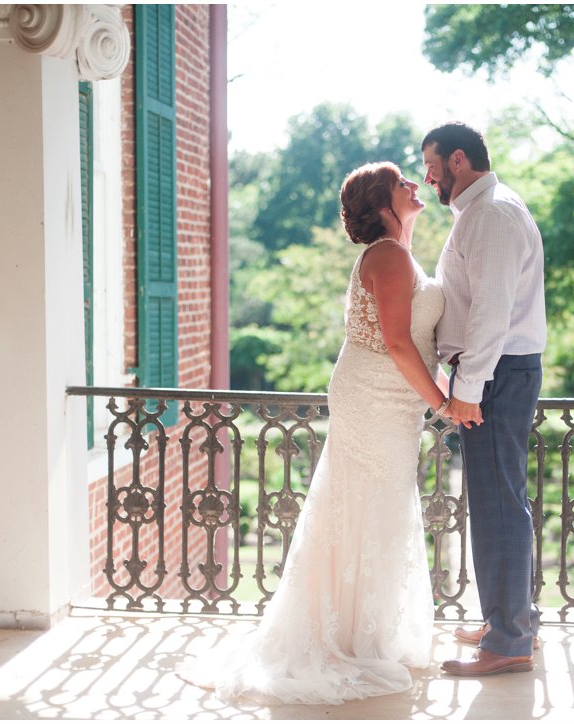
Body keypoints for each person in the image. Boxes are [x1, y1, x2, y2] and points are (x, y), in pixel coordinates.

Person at [178, 162, 449, 704]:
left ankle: (361, 630)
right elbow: (398, 344)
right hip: (376, 396)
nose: (414, 186)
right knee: (368, 503)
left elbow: (412, 337)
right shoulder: (389, 256)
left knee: (374, 505)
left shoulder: (396, 253)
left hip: (388, 399)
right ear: (380, 204)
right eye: (403, 184)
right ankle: (348, 637)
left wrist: (438, 395)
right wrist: (442, 402)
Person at [421, 122, 547, 676]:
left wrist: (467, 391)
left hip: (496, 376)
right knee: (504, 503)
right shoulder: (484, 210)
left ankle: (507, 641)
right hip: (496, 374)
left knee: (498, 509)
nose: (426, 179)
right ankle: (511, 621)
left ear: (457, 160)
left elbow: (491, 312)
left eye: (430, 166)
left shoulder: (492, 214)